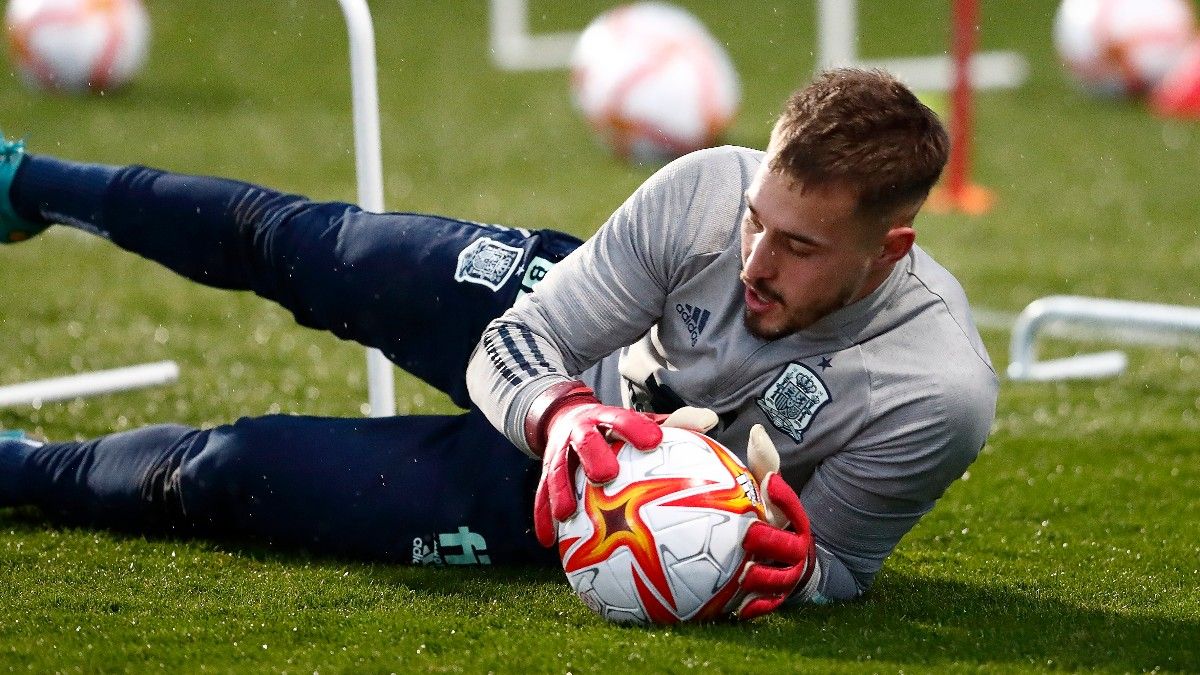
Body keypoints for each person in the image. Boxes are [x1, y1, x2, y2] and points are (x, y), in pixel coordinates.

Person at [0, 68, 997, 619]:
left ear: (888, 248)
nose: (754, 259)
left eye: (798, 245)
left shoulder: (934, 392)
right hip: (565, 372)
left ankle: (22, 471)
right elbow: (524, 338)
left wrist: (784, 567)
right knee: (305, 246)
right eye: (756, 219)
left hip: (574, 508)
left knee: (228, 474)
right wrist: (566, 414)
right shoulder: (704, 190)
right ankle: (28, 183)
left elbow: (834, 565)